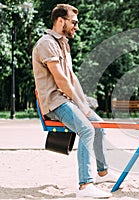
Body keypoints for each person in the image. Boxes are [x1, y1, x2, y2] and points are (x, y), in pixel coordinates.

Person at [32, 4, 116, 198]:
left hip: (65, 99)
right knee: (87, 128)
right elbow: (60, 79)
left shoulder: (63, 43)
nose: (76, 27)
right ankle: (85, 186)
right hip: (54, 102)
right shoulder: (46, 43)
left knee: (99, 126)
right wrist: (80, 104)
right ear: (60, 20)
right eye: (74, 22)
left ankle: (102, 171)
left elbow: (71, 77)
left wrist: (83, 100)